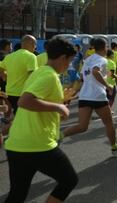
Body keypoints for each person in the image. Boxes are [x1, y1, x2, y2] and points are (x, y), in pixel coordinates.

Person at [3, 38, 78, 203]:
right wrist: (59, 107)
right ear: (63, 58)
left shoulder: (39, 71)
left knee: (17, 195)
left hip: (17, 144)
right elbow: (25, 101)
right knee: (69, 180)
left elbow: (34, 101)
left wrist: (60, 101)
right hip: (38, 145)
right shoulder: (49, 76)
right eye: (70, 61)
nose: (69, 66)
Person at [62, 38, 117, 155]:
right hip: (98, 95)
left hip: (84, 96)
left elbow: (82, 79)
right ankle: (114, 147)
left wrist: (73, 92)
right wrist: (108, 86)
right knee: (109, 123)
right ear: (105, 47)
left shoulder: (87, 59)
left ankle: (58, 136)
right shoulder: (102, 60)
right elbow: (95, 71)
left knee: (82, 126)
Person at [0, 35, 38, 115]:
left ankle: (7, 126)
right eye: (35, 44)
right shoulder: (31, 56)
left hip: (9, 93)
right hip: (22, 94)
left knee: (13, 117)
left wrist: (5, 77)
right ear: (31, 43)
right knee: (21, 119)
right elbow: (32, 76)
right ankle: (6, 127)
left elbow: (1, 67)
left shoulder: (9, 56)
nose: (35, 47)